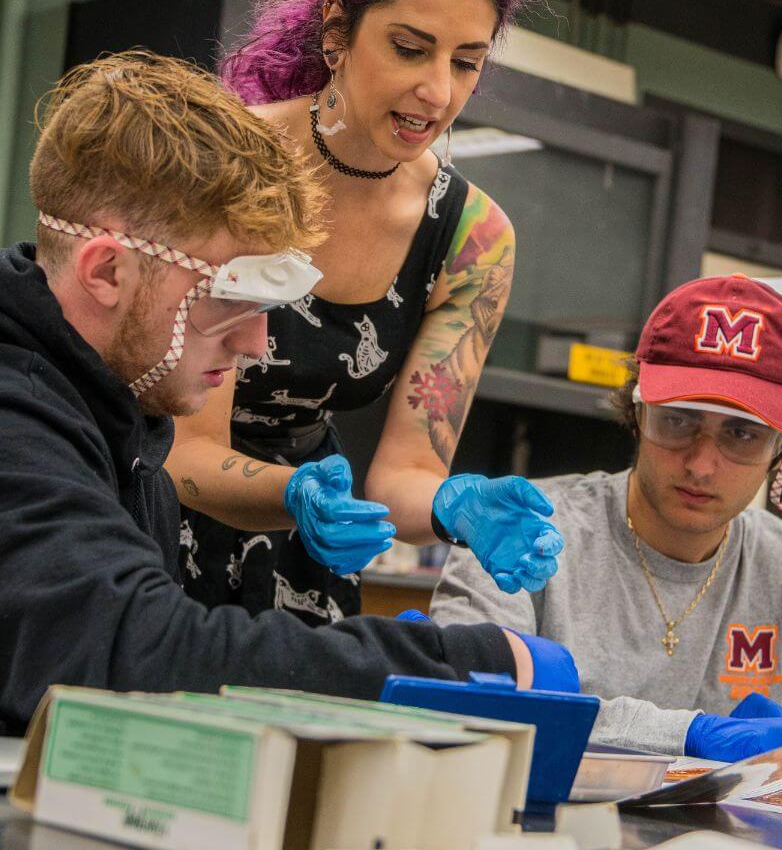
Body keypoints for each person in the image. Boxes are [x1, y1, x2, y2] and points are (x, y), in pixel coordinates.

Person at [0, 50, 577, 737]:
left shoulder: (122, 420)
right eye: (232, 300)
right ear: (106, 272)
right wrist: (456, 663)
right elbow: (129, 652)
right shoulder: (18, 417)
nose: (256, 346)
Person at [167, 0, 563, 624]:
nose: (437, 91)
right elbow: (184, 447)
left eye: (467, 62)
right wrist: (293, 494)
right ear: (337, 29)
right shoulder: (224, 168)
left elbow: (404, 473)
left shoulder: (472, 237)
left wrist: (454, 506)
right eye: (410, 48)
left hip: (306, 553)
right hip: (156, 527)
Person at [431, 274, 782, 762]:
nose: (701, 464)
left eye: (742, 434)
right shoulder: (520, 533)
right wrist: (686, 733)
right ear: (637, 413)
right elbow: (466, 700)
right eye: (678, 420)